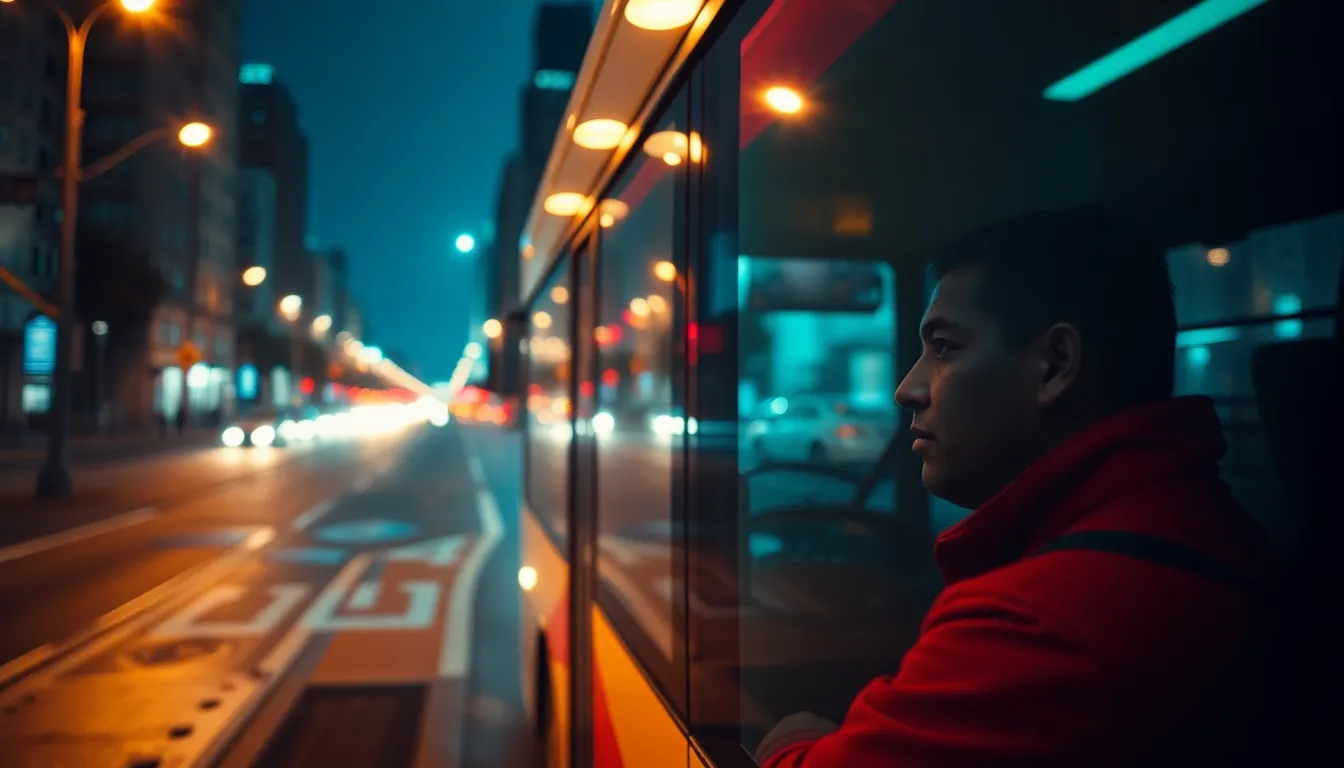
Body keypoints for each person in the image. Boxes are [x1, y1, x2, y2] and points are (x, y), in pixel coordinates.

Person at [756, 208, 1273, 766]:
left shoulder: (1036, 622)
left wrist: (792, 743)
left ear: (1055, 364)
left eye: (946, 347)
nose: (908, 388)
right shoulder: (1212, 527)